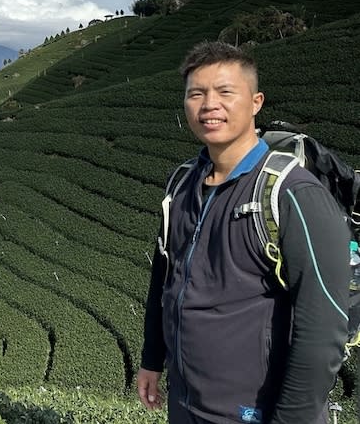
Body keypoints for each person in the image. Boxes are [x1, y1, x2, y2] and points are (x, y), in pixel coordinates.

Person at [137, 41, 349, 424]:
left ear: (256, 102)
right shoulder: (182, 183)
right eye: (196, 94)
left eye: (225, 92)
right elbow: (164, 279)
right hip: (185, 403)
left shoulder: (293, 194)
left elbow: (324, 327)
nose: (209, 105)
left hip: (257, 411)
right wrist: (152, 359)